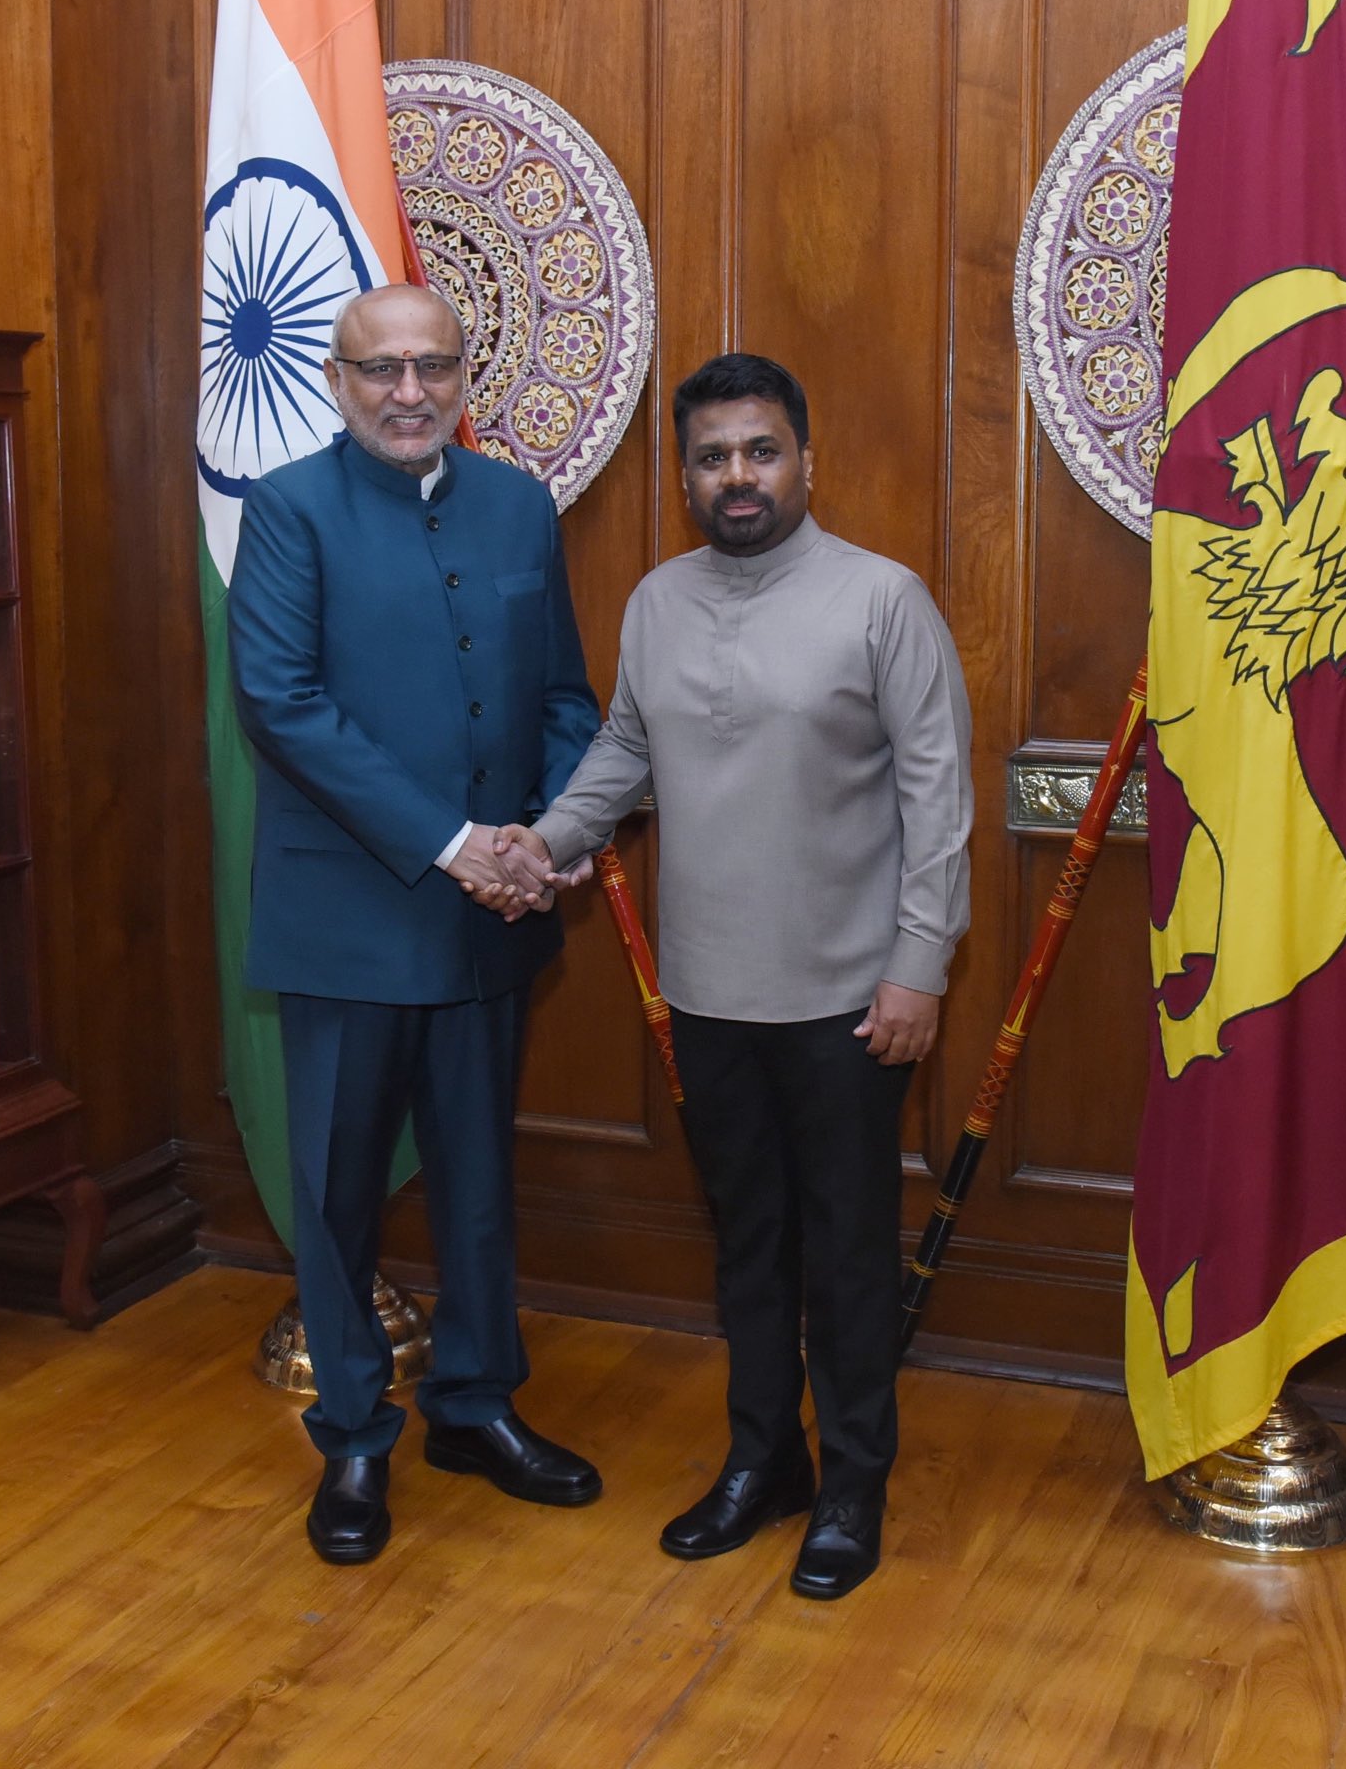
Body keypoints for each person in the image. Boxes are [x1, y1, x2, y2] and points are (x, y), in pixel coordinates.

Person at [497, 352, 972, 1600]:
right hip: (707, 997)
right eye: (712, 457)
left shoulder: (884, 598)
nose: (738, 475)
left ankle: (854, 1478)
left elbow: (940, 799)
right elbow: (621, 754)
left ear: (804, 459)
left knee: (848, 1253)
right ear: (687, 476)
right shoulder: (656, 600)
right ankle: (766, 1461)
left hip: (850, 1001)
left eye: (759, 450)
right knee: (749, 1248)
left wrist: (918, 966)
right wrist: (540, 845)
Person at [228, 283, 603, 1567]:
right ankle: (349, 1433)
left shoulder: (515, 504)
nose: (409, 391)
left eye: (432, 365)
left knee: (480, 1181)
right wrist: (457, 844)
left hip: (493, 917)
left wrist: (542, 839)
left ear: (462, 374)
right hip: (351, 917)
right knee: (337, 1191)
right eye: (381, 369)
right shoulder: (286, 510)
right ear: (338, 380)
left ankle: (476, 1404)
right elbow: (283, 703)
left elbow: (563, 692)